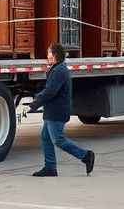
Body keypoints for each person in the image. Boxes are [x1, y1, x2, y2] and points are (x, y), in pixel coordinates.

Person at [29, 42, 95, 177]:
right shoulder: (56, 68)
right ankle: (50, 167)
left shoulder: (60, 70)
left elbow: (50, 91)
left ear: (54, 55)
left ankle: (86, 155)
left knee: (58, 139)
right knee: (46, 137)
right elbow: (49, 89)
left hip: (57, 111)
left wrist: (34, 103)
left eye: (48, 53)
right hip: (52, 110)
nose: (47, 55)